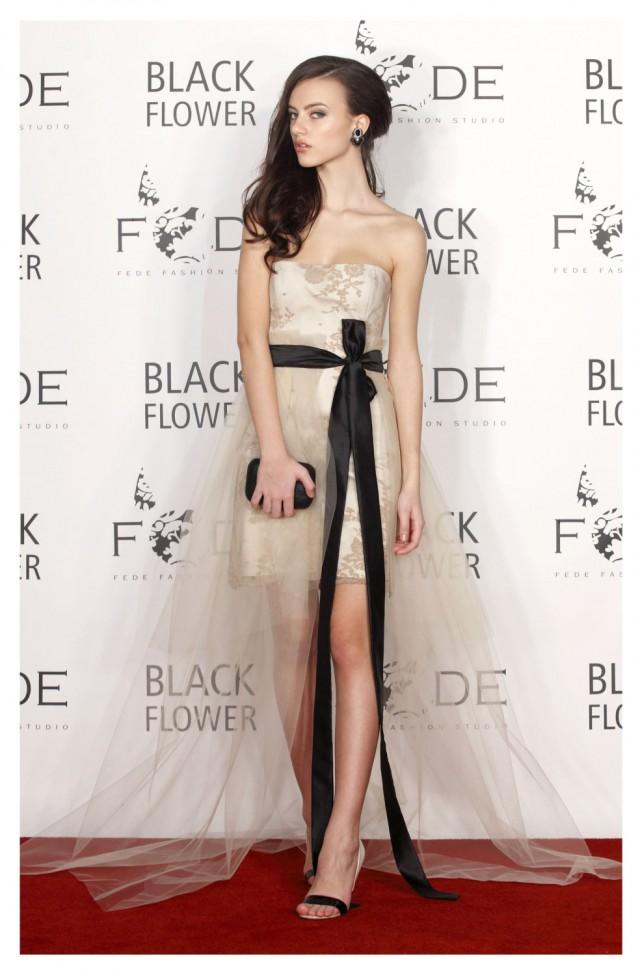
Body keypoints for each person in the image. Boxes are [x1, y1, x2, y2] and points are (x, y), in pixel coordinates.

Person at [20, 55, 622, 919]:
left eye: (317, 113)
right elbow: (250, 341)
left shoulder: (401, 235)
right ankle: (320, 814)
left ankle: (342, 843)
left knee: (351, 641)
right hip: (282, 440)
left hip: (363, 441)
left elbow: (405, 359)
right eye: (293, 114)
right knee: (294, 639)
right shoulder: (270, 217)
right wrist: (272, 451)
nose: (299, 128)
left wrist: (409, 478)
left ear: (360, 123)